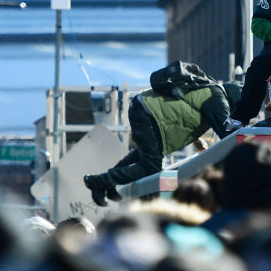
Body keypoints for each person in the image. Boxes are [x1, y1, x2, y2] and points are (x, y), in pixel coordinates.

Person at [83, 81, 241, 207]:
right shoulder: (218, 100)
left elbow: (185, 111)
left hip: (143, 107)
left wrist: (198, 143)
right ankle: (100, 181)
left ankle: (108, 183)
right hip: (148, 113)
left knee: (143, 154)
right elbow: (228, 134)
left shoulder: (209, 90)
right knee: (152, 166)